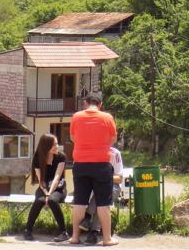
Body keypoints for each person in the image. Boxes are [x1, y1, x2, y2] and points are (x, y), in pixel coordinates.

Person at [69, 94, 118, 246]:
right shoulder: (107, 117)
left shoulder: (76, 117)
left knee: (79, 202)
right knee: (103, 203)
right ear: (100, 104)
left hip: (80, 164)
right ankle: (107, 239)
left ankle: (75, 237)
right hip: (101, 164)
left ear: (86, 103)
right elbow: (113, 139)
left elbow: (73, 138)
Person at [24, 133, 68, 242]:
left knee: (52, 200)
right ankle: (28, 230)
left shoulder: (61, 157)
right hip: (43, 186)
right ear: (46, 146)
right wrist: (46, 193)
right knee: (39, 200)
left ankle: (63, 232)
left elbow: (57, 177)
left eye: (57, 144)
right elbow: (41, 180)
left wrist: (49, 195)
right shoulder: (37, 158)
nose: (57, 146)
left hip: (58, 187)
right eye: (54, 145)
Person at [81, 145, 125, 246]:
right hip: (97, 187)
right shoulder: (93, 152)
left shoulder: (115, 154)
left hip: (113, 186)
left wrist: (104, 177)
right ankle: (93, 233)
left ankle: (88, 217)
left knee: (102, 195)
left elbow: (119, 179)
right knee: (101, 198)